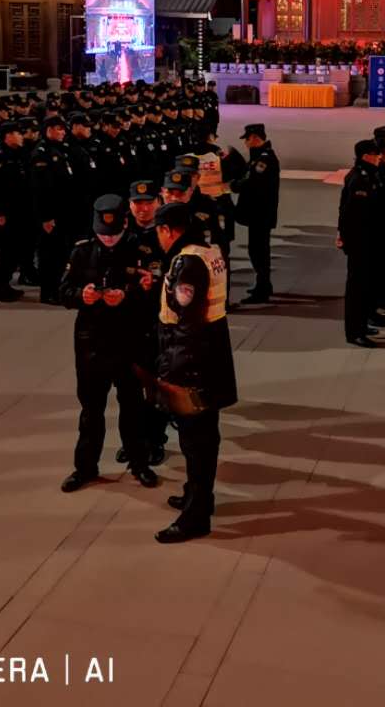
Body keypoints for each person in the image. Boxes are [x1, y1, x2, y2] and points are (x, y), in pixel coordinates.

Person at [58, 195, 160, 493]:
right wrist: (82, 296)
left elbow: (154, 293)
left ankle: (139, 463)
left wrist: (127, 295)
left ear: (125, 224)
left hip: (129, 339)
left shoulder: (141, 250)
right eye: (103, 234)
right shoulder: (82, 251)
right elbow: (63, 290)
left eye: (114, 235)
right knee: (91, 410)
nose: (108, 239)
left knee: (133, 407)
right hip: (91, 342)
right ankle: (85, 467)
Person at [151, 201, 235, 543]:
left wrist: (172, 371)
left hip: (193, 363)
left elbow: (187, 323)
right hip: (210, 354)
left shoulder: (187, 263)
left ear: (168, 230)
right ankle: (198, 496)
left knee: (196, 440)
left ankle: (196, 516)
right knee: (203, 436)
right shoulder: (209, 250)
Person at [121, 179, 169, 465]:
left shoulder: (165, 235)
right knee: (127, 387)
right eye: (137, 203)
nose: (143, 208)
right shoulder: (120, 234)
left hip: (156, 320)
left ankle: (155, 439)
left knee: (155, 386)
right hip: (126, 321)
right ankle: (132, 441)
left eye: (148, 202)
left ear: (158, 203)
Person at [338, 138, 383, 347]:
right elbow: (350, 214)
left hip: (369, 240)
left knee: (366, 286)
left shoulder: (369, 175)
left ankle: (362, 324)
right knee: (357, 288)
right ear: (366, 156)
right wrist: (345, 237)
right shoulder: (359, 179)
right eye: (376, 154)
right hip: (360, 242)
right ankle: (355, 331)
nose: (380, 157)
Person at [31, 115, 76, 305]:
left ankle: (56, 288)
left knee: (60, 254)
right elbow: (41, 189)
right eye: (59, 129)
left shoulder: (58, 150)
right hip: (50, 214)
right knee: (49, 255)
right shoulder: (41, 154)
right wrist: (46, 217)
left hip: (61, 211)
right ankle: (48, 292)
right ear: (49, 130)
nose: (63, 132)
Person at [232, 122, 280, 302]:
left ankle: (263, 288)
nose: (245, 143)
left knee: (259, 251)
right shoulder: (259, 156)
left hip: (260, 213)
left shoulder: (264, 160)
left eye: (247, 139)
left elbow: (252, 182)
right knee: (257, 250)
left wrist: (235, 185)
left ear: (254, 138)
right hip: (258, 213)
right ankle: (263, 284)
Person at [0, 122, 30, 302]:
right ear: (8, 136)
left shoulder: (16, 154)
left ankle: (5, 284)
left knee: (13, 251)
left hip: (16, 210)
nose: (22, 137)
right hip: (4, 212)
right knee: (4, 252)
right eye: (18, 134)